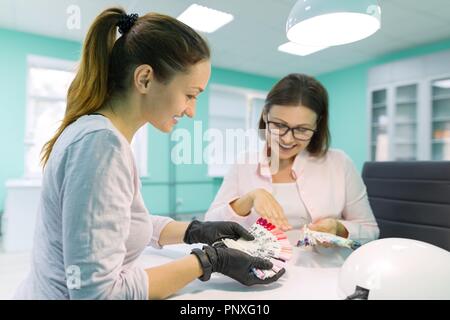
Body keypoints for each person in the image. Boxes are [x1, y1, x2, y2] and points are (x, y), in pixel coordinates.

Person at [14, 7, 284, 300]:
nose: (192, 111)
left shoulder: (105, 138)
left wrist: (196, 231)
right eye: (190, 94)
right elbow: (99, 294)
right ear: (144, 79)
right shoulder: (100, 147)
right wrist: (207, 261)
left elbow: (125, 223)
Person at [205, 73, 379, 247]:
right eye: (280, 125)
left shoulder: (340, 163)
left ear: (317, 125)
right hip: (256, 270)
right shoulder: (245, 162)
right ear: (265, 116)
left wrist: (338, 228)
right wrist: (248, 199)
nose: (288, 139)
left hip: (324, 269)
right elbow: (210, 226)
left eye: (302, 129)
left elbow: (370, 230)